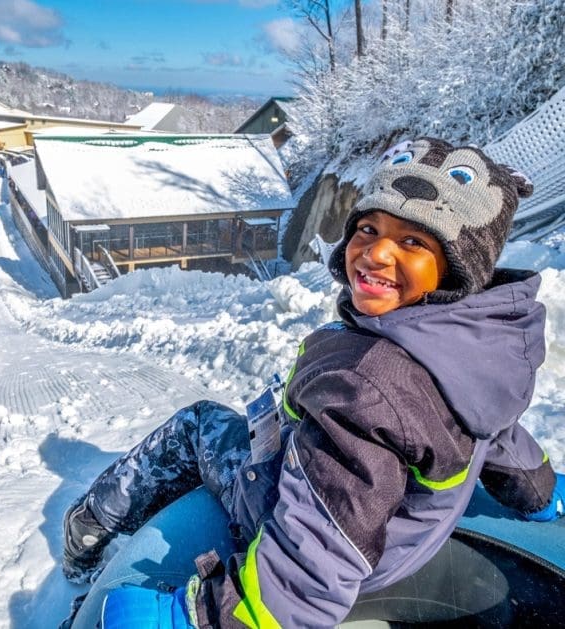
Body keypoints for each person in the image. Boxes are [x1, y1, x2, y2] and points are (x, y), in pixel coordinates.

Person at [62, 137, 565, 627]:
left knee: (197, 425)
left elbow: (322, 542)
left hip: (316, 529)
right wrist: (541, 492)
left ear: (460, 269)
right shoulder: (472, 354)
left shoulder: (369, 384)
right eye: (368, 229)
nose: (376, 253)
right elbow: (497, 435)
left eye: (412, 241)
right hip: (404, 542)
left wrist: (203, 616)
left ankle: (87, 533)